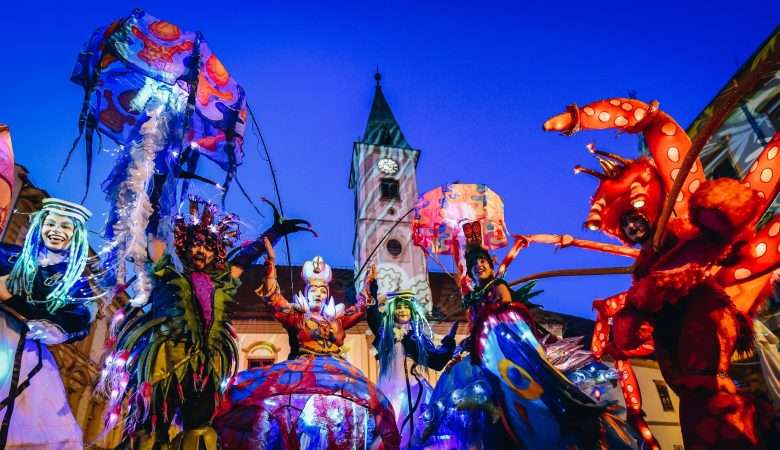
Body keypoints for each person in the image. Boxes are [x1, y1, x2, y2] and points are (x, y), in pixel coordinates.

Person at [102, 197, 311, 449]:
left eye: (208, 246)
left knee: (201, 431)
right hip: (168, 361)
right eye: (196, 244)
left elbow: (245, 258)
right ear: (184, 247)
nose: (201, 250)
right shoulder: (167, 271)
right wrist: (160, 188)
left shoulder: (221, 281)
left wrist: (275, 232)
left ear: (216, 252)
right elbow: (154, 232)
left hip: (206, 366)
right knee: (153, 428)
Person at [419, 224, 639, 450]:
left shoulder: (498, 285)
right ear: (471, 273)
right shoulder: (473, 298)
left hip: (506, 343)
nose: (479, 266)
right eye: (474, 265)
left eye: (483, 262)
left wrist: (491, 318)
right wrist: (470, 337)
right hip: (484, 350)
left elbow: (506, 306)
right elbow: (474, 326)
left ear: (491, 265)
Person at [214, 238, 400, 450]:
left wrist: (369, 282)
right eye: (313, 290)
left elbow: (360, 307)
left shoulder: (337, 320)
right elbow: (274, 299)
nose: (318, 294)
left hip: (338, 370)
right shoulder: (299, 317)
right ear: (306, 292)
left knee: (370, 399)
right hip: (306, 367)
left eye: (322, 291)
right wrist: (271, 264)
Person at [0, 198, 95, 450]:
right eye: (50, 223)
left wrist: (11, 298)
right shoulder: (8, 255)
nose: (56, 230)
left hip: (28, 353)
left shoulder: (74, 282)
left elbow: (78, 319)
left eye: (65, 226)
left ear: (76, 234)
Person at [366, 290, 457, 448]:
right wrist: (372, 286)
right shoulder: (384, 333)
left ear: (412, 310)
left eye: (406, 307)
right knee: (385, 432)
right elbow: (372, 315)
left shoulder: (416, 337)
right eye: (398, 307)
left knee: (412, 432)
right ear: (392, 311)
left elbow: (437, 361)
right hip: (387, 392)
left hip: (413, 392)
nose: (402, 310)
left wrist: (449, 339)